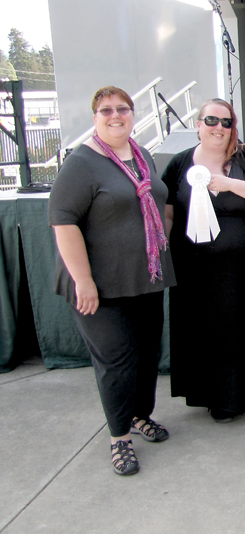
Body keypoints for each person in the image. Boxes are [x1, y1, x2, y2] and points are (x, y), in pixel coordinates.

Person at [49, 86, 176, 476]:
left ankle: (140, 415)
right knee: (116, 361)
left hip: (144, 279)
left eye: (123, 109)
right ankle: (119, 437)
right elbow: (63, 221)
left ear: (133, 114)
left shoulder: (142, 157)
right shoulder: (82, 162)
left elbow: (157, 204)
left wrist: (162, 237)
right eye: (106, 110)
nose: (115, 115)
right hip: (101, 287)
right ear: (95, 117)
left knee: (146, 355)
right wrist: (82, 279)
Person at [162, 98, 245, 423]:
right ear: (198, 125)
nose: (219, 128)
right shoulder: (179, 163)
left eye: (226, 122)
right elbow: (168, 214)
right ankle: (216, 397)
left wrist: (228, 184)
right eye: (211, 121)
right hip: (196, 269)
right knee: (206, 330)